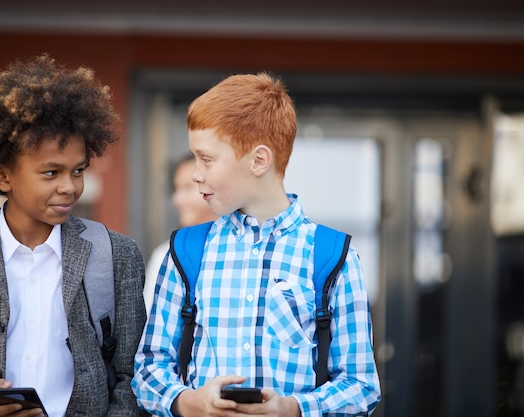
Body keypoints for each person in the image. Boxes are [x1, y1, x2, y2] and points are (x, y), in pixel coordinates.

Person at [132, 72, 381, 416]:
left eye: (206, 159)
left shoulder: (333, 256)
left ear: (259, 161)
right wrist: (188, 402)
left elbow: (361, 386)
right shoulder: (186, 251)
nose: (195, 174)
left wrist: (294, 409)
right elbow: (148, 369)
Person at [0, 54, 148, 417]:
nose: (69, 187)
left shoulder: (117, 255)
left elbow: (132, 376)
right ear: (3, 176)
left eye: (78, 170)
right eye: (51, 173)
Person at [143, 153, 216, 315]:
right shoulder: (166, 254)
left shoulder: (241, 247)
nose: (177, 199)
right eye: (176, 189)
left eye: (188, 187)